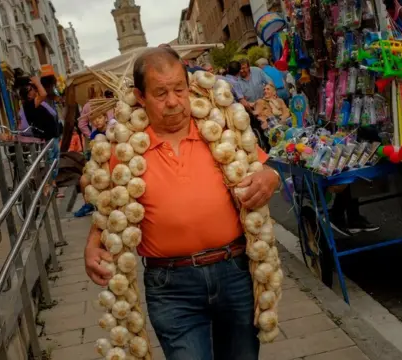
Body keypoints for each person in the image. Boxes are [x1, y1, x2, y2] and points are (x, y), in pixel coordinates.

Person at [84, 47, 281, 360]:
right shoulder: (123, 150)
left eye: (179, 89)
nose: (173, 101)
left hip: (234, 272)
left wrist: (271, 176)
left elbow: (265, 170)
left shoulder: (221, 131)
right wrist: (93, 244)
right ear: (140, 96)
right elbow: (108, 211)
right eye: (161, 93)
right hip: (172, 286)